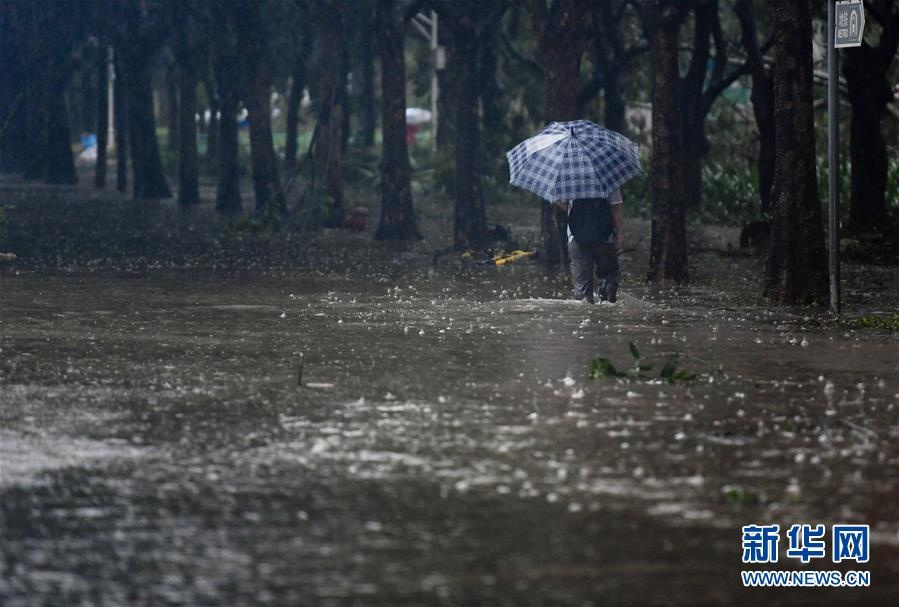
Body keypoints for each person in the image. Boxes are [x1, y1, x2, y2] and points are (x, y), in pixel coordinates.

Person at [557, 190, 624, 304]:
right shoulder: (608, 177)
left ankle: (586, 311)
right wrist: (620, 233)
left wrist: (575, 213)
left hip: (576, 237)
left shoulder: (569, 178)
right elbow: (615, 207)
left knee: (582, 289)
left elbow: (560, 201)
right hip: (605, 238)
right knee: (608, 280)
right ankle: (608, 309)